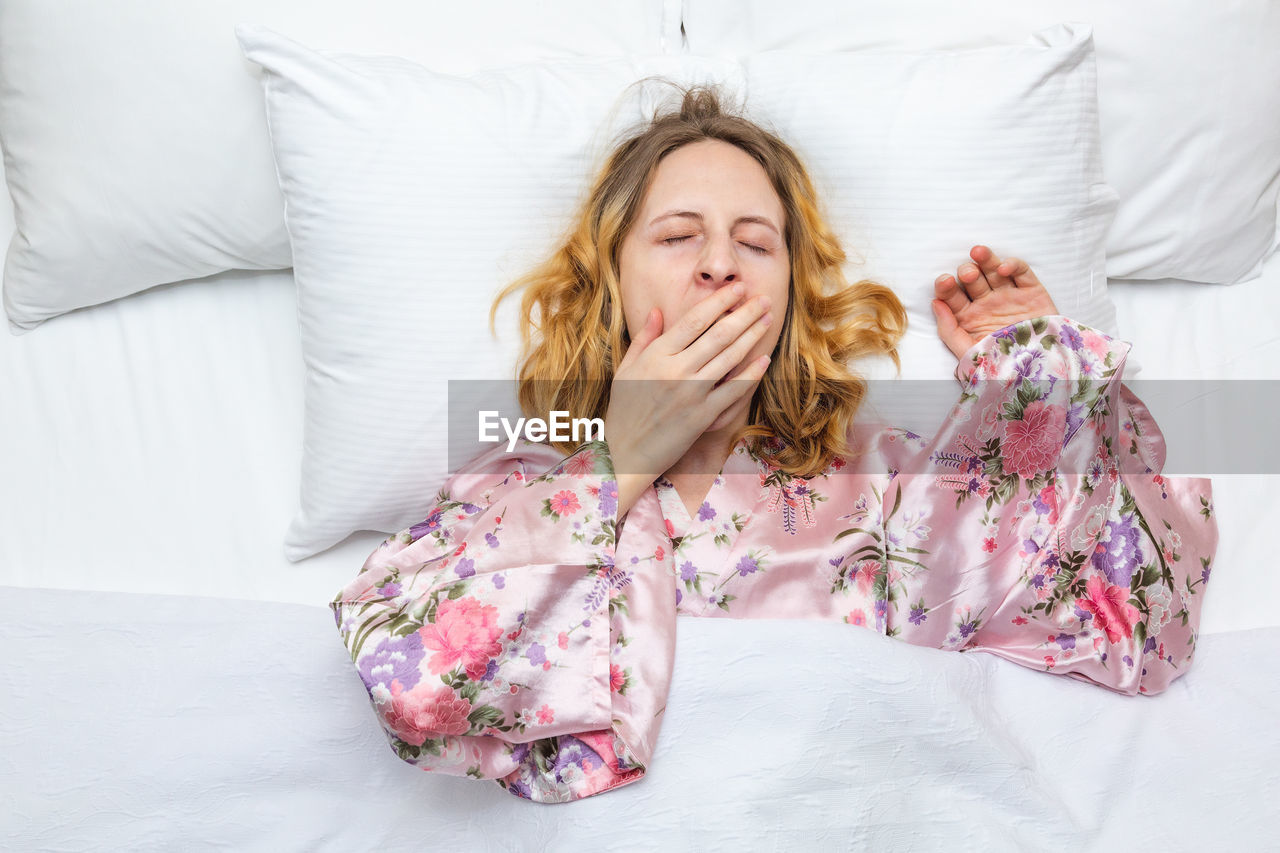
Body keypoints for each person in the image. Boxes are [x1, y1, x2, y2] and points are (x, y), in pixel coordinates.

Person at [329, 86, 1218, 804]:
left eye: (756, 243)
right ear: (610, 280)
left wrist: (1036, 372)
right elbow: (415, 682)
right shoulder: (515, 484)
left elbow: (1135, 621)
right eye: (678, 237)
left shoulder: (886, 482)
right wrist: (619, 462)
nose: (720, 264)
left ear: (789, 295)